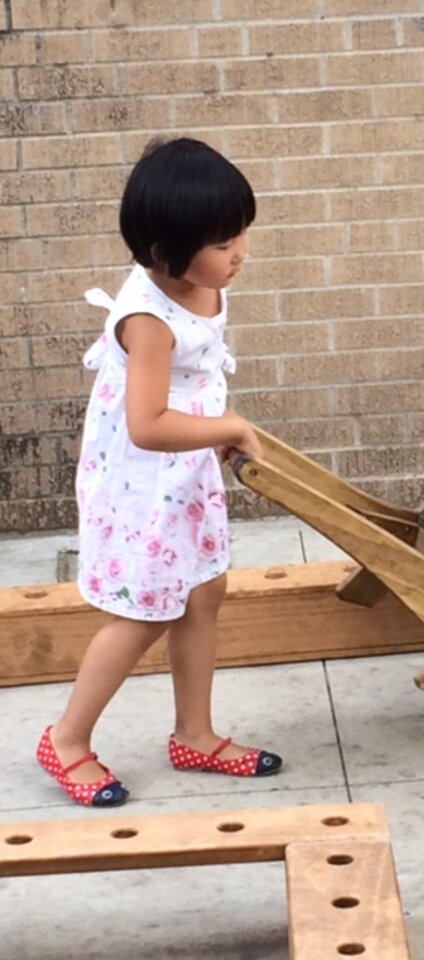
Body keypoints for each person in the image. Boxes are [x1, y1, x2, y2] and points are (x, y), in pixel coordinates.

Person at [36, 137, 282, 807]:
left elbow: (191, 384)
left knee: (204, 589)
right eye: (224, 241)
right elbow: (146, 424)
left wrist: (211, 431)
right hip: (141, 481)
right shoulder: (147, 317)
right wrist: (228, 427)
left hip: (184, 473)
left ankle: (194, 734)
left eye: (241, 235)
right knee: (145, 609)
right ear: (165, 250)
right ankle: (66, 739)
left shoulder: (201, 280)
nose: (241, 253)